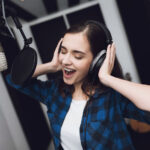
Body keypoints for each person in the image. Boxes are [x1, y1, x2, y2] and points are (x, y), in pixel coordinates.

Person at [6, 20, 150, 150]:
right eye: (63, 51)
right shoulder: (53, 91)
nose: (66, 60)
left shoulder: (113, 98)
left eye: (78, 56)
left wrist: (106, 77)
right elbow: (14, 79)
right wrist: (51, 66)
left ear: (97, 61)